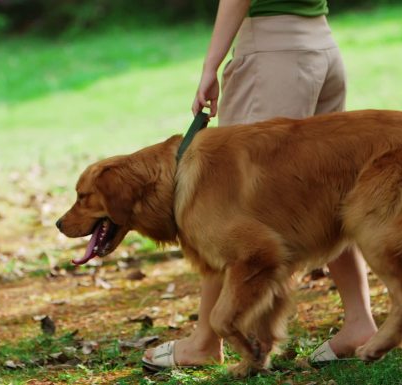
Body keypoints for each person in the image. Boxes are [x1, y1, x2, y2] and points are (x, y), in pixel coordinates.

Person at [143, 0, 378, 370]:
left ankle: (206, 341)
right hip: (320, 46)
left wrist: (211, 65)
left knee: (226, 208)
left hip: (273, 56)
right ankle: (359, 322)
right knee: (327, 196)